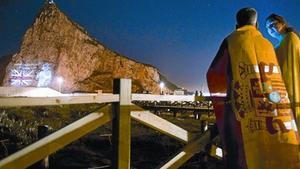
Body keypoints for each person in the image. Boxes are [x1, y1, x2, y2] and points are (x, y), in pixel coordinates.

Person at [207, 8, 300, 169]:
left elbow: (215, 73)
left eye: (273, 24)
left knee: (249, 145)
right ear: (256, 24)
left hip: (248, 105)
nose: (271, 29)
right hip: (274, 103)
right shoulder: (267, 45)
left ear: (237, 25)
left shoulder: (231, 40)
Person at [265, 14, 300, 130]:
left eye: (273, 24)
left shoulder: (290, 38)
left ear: (283, 23)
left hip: (290, 83)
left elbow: (290, 66)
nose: (270, 29)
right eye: (267, 27)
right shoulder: (280, 44)